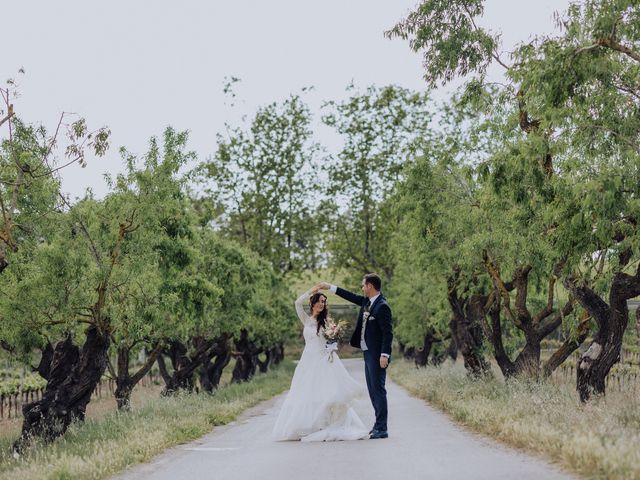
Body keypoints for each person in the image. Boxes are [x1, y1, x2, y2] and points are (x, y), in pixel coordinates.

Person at [271, 286, 369, 442]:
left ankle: (327, 424)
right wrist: (312, 291)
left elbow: (330, 340)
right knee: (306, 392)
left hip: (324, 360)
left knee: (326, 393)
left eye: (324, 302)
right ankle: (310, 426)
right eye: (320, 301)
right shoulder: (306, 319)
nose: (322, 304)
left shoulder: (327, 322)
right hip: (308, 360)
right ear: (313, 303)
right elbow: (297, 303)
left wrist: (332, 343)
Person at [318, 273, 393, 439]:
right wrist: (329, 286)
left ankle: (383, 428)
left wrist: (384, 354)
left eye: (363, 285)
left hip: (377, 355)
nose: (361, 288)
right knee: (373, 390)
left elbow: (388, 333)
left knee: (378, 390)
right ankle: (378, 424)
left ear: (370, 286)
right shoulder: (367, 302)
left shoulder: (382, 306)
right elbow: (349, 296)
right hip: (367, 353)